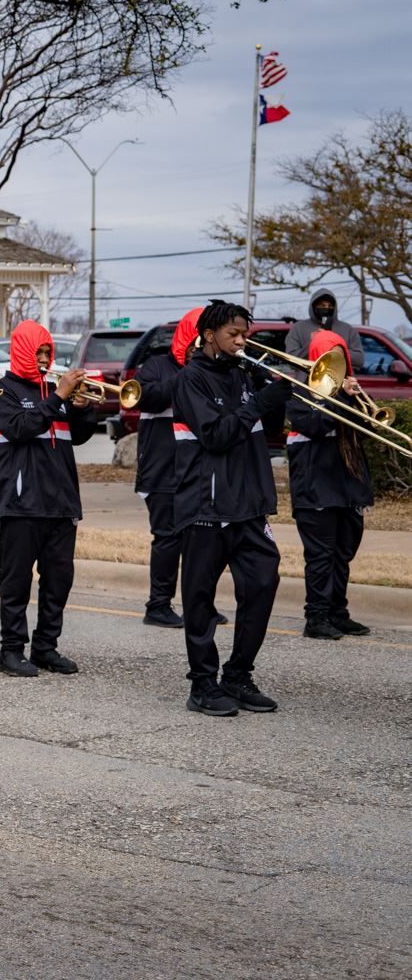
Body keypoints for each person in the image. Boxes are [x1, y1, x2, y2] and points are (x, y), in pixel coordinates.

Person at [173, 300, 289, 716]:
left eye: (245, 334)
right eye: (233, 334)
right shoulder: (191, 379)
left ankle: (238, 675)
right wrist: (257, 403)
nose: (242, 341)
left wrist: (276, 397)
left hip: (249, 503)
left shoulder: (243, 374)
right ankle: (202, 684)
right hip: (206, 502)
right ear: (209, 335)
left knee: (263, 584)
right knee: (200, 597)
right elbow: (216, 435)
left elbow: (264, 431)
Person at [0, 321, 96, 678]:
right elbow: (19, 428)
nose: (46, 359)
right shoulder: (1, 391)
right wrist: (59, 398)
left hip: (61, 502)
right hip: (21, 503)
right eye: (39, 353)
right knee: (16, 581)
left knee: (58, 580)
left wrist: (80, 408)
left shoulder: (55, 392)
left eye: (48, 353)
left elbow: (78, 437)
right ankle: (11, 650)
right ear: (22, 352)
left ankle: (46, 647)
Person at [286, 329, 373, 641]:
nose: (338, 366)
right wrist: (336, 397)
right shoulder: (299, 393)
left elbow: (369, 424)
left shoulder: (347, 392)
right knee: (321, 556)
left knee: (343, 553)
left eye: (341, 359)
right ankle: (317, 616)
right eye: (330, 359)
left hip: (348, 486)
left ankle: (338, 612)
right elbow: (315, 424)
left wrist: (357, 397)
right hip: (316, 487)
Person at [129, 310, 201, 629]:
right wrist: (188, 375)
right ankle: (157, 605)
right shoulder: (156, 366)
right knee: (168, 538)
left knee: (200, 540)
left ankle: (200, 604)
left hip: (198, 468)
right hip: (162, 469)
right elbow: (149, 399)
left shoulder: (212, 370)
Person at [284, 289, 364, 371]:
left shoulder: (348, 329)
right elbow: (291, 361)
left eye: (330, 306)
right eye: (322, 305)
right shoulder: (298, 328)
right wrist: (313, 344)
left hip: (339, 380)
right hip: (306, 382)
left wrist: (336, 351)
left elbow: (359, 360)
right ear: (314, 306)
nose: (326, 308)